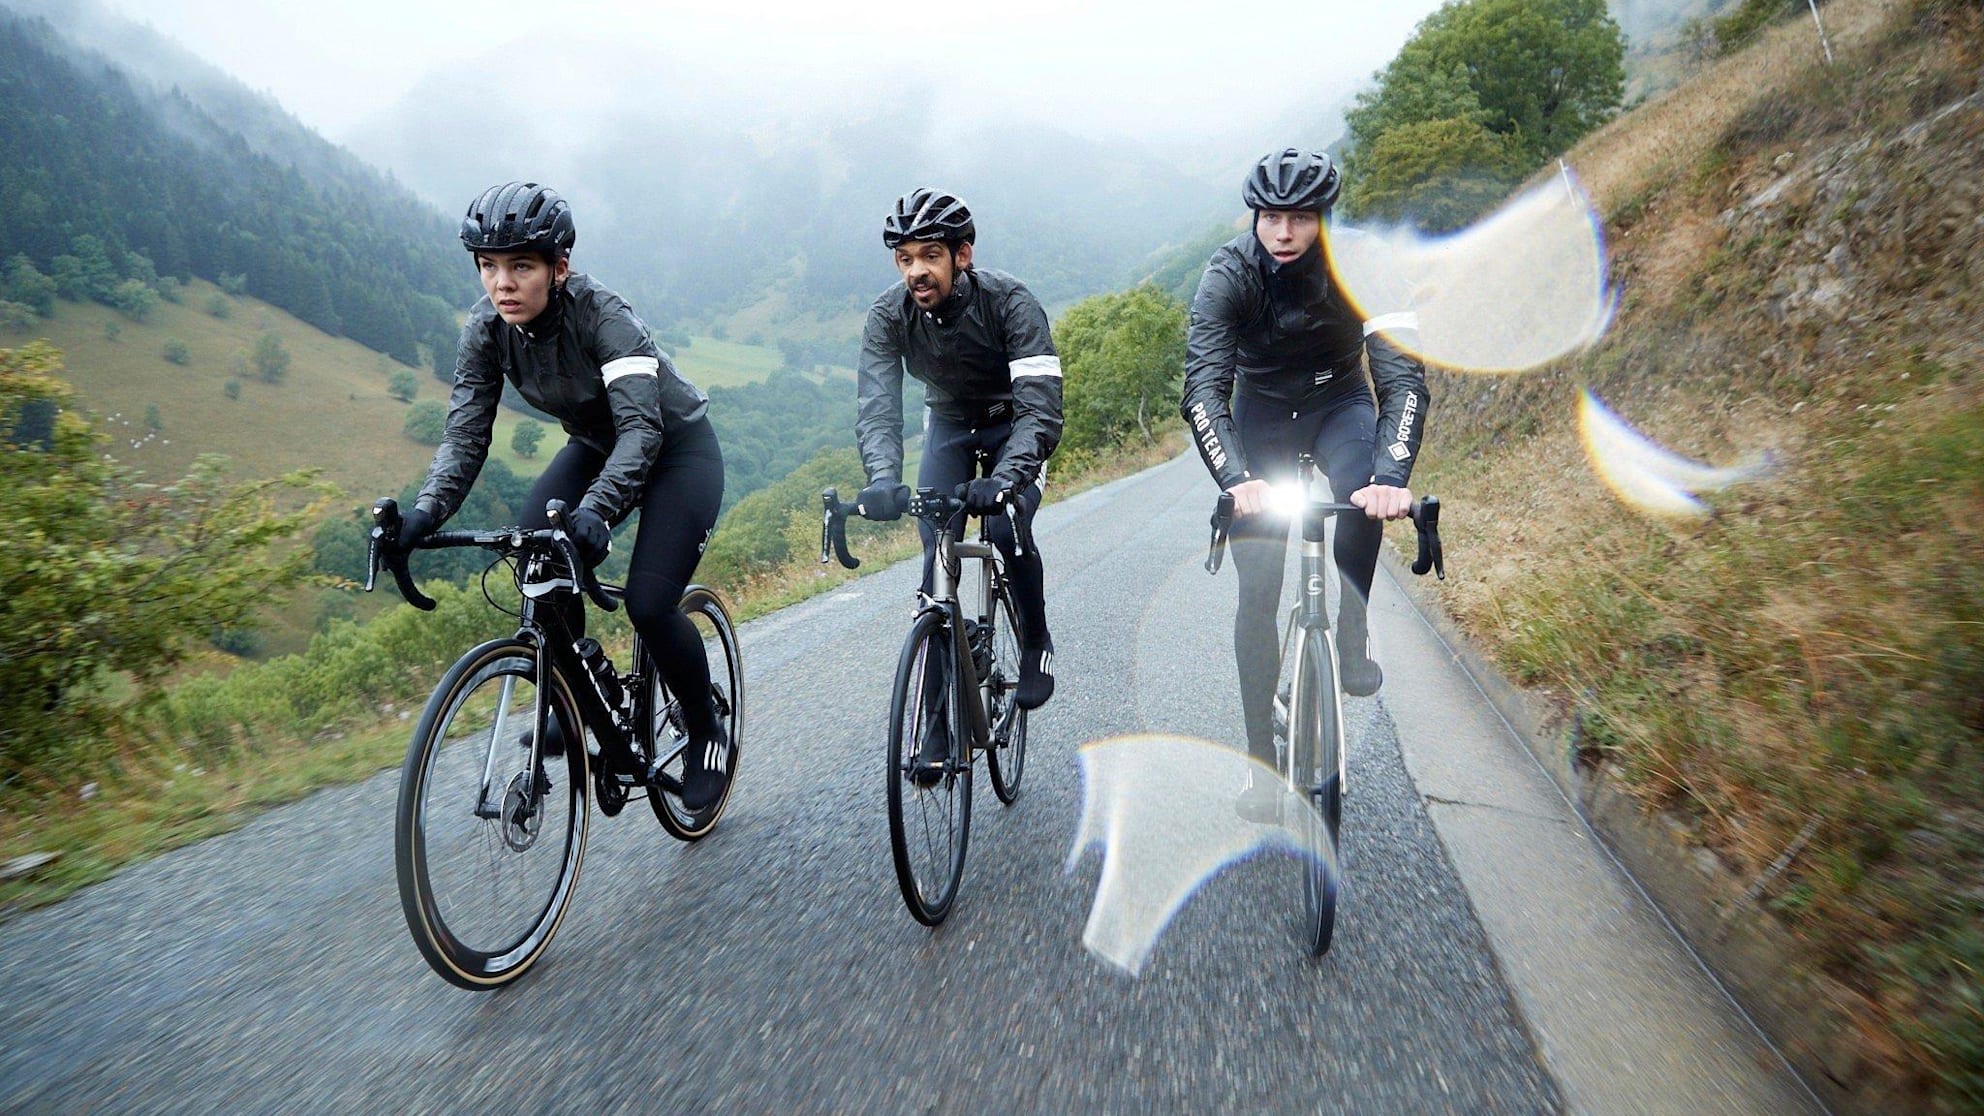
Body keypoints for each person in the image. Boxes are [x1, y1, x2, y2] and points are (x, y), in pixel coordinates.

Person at [381, 181, 733, 812]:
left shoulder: (605, 317)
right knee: (536, 553)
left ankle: (707, 730)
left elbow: (642, 430)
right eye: (488, 266)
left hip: (677, 451)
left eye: (521, 266)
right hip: (600, 447)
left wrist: (597, 510)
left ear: (559, 267)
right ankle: (573, 691)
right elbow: (465, 436)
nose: (502, 284)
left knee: (651, 606)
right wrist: (425, 512)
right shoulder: (487, 330)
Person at [1179, 149, 1429, 811]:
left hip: (1338, 402)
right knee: (1257, 591)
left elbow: (1401, 379)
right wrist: (1234, 477)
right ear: (1254, 217)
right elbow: (1204, 389)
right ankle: (1262, 762)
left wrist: (1391, 476)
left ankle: (1350, 634)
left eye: (1299, 218)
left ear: (1322, 218)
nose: (1283, 233)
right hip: (1260, 413)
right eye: (1270, 218)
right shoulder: (1228, 272)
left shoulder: (1364, 264)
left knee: (1359, 493)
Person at [854, 188, 1063, 780]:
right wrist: (881, 478)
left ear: (961, 255)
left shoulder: (1011, 303)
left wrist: (1008, 477)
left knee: (1003, 522)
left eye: (929, 256)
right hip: (947, 424)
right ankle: (939, 726)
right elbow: (877, 406)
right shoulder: (887, 316)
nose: (916, 270)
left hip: (1013, 423)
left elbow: (1041, 409)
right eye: (904, 259)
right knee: (936, 557)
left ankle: (1035, 642)